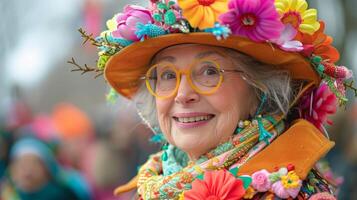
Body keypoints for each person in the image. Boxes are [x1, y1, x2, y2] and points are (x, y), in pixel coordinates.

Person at [73, 0, 354, 199]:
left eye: (209, 71)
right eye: (167, 75)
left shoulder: (293, 191)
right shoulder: (151, 183)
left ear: (258, 89)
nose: (183, 95)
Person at [0, 137, 92, 200]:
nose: (28, 169)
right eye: (22, 164)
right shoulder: (7, 193)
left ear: (46, 169)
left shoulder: (61, 194)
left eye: (34, 163)